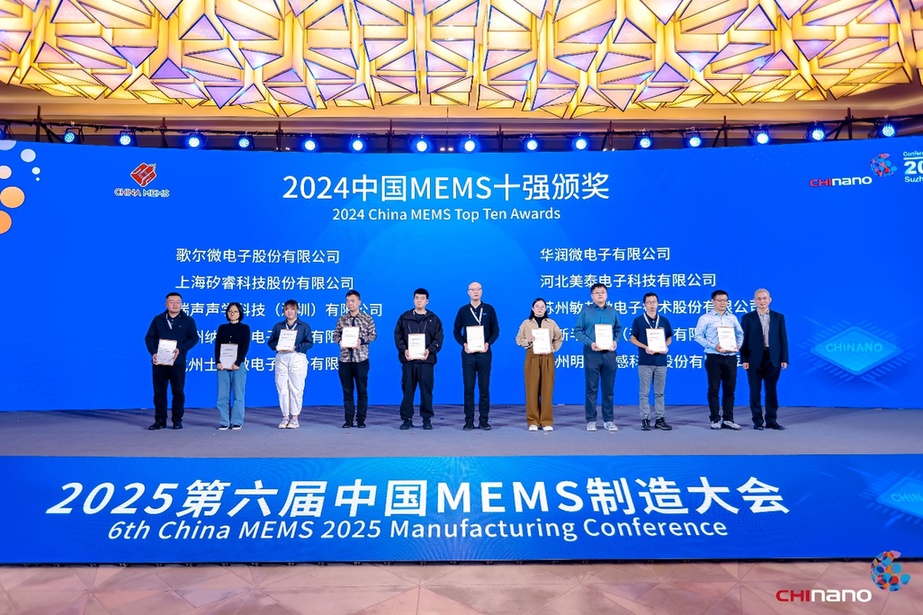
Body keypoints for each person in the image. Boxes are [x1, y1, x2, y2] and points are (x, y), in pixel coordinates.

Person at [144, 292, 198, 430]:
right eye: (172, 302)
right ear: (166, 304)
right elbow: (149, 338)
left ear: (182, 304)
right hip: (160, 362)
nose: (175, 304)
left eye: (178, 302)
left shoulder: (188, 320)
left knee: (178, 392)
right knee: (159, 392)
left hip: (178, 362)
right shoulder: (158, 319)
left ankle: (177, 420)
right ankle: (160, 420)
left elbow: (194, 338)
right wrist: (153, 352)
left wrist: (181, 348)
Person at [452, 281, 500, 430]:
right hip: (468, 355)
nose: (475, 292)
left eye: (478, 289)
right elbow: (456, 331)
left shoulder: (489, 309)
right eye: (472, 289)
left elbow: (496, 330)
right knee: (468, 388)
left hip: (484, 353)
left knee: (484, 387)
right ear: (468, 292)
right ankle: (469, 421)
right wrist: (464, 344)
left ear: (482, 291)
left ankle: (484, 420)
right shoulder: (463, 311)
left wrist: (488, 343)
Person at [573, 283, 621, 432]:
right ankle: (591, 420)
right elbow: (577, 331)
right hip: (592, 353)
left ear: (607, 294)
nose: (600, 294)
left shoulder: (612, 312)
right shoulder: (586, 311)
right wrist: (590, 343)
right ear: (591, 296)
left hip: (609, 354)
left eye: (603, 292)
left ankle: (608, 420)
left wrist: (615, 341)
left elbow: (618, 330)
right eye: (597, 292)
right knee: (591, 388)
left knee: (608, 389)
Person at [694, 289, 744, 430]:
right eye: (720, 300)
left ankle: (728, 419)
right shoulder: (705, 318)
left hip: (731, 357)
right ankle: (715, 418)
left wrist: (737, 346)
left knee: (730, 389)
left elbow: (740, 334)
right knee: (714, 389)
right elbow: (697, 336)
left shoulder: (732, 318)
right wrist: (713, 346)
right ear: (713, 301)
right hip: (714, 357)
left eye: (725, 300)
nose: (723, 303)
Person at [394, 288, 444, 430]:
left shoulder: (433, 319)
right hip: (409, 361)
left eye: (422, 298)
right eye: (417, 298)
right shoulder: (405, 317)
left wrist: (430, 350)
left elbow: (439, 338)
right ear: (413, 300)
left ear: (427, 301)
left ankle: (427, 419)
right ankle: (407, 419)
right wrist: (404, 350)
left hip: (426, 361)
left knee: (426, 391)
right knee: (407, 391)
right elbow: (398, 336)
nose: (419, 301)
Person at [740, 288, 789, 430]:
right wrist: (744, 359)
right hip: (753, 359)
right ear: (754, 301)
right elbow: (743, 340)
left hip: (773, 358)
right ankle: (757, 421)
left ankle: (772, 421)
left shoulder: (778, 317)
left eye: (764, 298)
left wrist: (784, 358)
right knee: (755, 392)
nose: (762, 301)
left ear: (770, 300)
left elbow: (783, 339)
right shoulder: (747, 318)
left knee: (771, 391)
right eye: (759, 298)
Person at [515, 298, 563, 431]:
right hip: (532, 356)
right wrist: (528, 341)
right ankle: (533, 421)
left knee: (547, 389)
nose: (540, 309)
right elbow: (518, 339)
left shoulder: (551, 323)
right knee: (532, 389)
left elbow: (559, 338)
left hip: (547, 356)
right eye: (537, 306)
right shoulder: (526, 323)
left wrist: (552, 349)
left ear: (546, 308)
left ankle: (546, 421)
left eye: (542, 306)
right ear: (533, 308)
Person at [332, 289, 377, 428]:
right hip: (345, 360)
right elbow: (335, 335)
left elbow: (373, 335)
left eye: (352, 301)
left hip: (361, 360)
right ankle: (349, 419)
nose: (350, 303)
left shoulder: (367, 318)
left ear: (359, 302)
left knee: (362, 391)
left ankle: (361, 419)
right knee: (347, 391)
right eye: (347, 301)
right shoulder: (342, 319)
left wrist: (361, 341)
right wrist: (340, 341)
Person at [629, 292, 674, 431]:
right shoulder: (638, 320)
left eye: (654, 302)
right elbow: (632, 338)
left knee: (660, 393)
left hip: (661, 361)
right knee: (644, 392)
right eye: (649, 302)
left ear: (658, 303)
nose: (652, 304)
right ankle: (645, 419)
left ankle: (660, 419)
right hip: (645, 361)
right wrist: (645, 347)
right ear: (644, 305)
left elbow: (669, 337)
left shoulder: (664, 320)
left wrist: (665, 346)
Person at [267, 299, 313, 429]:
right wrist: (276, 346)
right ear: (283, 312)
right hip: (281, 357)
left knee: (296, 388)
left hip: (297, 357)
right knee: (282, 388)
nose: (290, 312)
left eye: (292, 309)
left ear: (297, 310)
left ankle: (295, 418)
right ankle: (285, 417)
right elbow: (271, 342)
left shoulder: (303, 326)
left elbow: (309, 343)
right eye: (287, 309)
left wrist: (296, 347)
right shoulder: (278, 326)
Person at [215, 302, 250, 430]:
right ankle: (224, 421)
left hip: (237, 366)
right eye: (230, 311)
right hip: (223, 366)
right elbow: (217, 346)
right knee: (222, 395)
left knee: (238, 395)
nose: (232, 314)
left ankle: (237, 421)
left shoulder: (244, 328)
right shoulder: (222, 328)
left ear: (240, 313)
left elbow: (245, 346)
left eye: (235, 311)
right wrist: (218, 362)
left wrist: (238, 362)